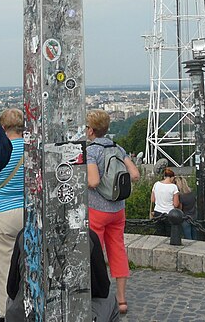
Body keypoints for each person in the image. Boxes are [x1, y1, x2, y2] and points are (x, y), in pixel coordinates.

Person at [85, 109, 140, 316]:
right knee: (117, 249)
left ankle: (96, 293)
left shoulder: (91, 151)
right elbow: (134, 174)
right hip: (118, 210)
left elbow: (93, 181)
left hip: (97, 209)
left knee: (95, 253)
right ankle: (122, 299)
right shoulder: (118, 147)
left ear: (90, 130)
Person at [5, 228, 119, 322]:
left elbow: (12, 289)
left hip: (30, 314)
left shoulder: (25, 235)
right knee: (109, 300)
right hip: (76, 313)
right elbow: (102, 289)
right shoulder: (88, 236)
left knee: (12, 300)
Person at [0, 108, 25, 317]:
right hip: (29, 212)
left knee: (4, 269)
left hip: (2, 212)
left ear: (3, 128)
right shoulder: (32, 149)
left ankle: (7, 314)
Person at [151, 167, 180, 236]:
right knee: (169, 234)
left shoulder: (156, 184)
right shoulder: (173, 187)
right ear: (172, 177)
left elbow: (152, 199)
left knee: (159, 234)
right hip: (169, 213)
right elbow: (176, 204)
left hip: (157, 212)